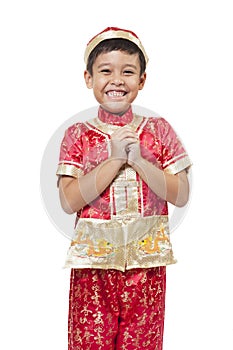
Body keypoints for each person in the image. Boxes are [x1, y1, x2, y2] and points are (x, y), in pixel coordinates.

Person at [56, 27, 192, 350]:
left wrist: (142, 162)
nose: (116, 80)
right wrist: (114, 161)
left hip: (147, 270)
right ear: (88, 78)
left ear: (141, 80)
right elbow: (68, 199)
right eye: (105, 71)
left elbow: (181, 193)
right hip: (94, 269)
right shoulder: (78, 135)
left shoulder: (159, 131)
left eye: (127, 72)